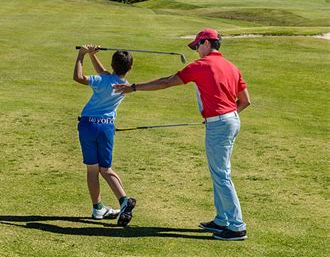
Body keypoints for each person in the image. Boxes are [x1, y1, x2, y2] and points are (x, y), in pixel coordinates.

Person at [113, 29, 251, 240]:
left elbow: (167, 81)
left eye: (197, 46)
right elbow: (244, 101)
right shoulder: (231, 66)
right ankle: (223, 219)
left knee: (222, 174)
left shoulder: (201, 65)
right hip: (231, 120)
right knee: (218, 172)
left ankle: (237, 226)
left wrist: (133, 87)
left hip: (220, 124)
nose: (196, 50)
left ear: (206, 43)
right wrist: (225, 116)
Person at [73, 44, 136, 227]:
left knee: (92, 169)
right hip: (107, 128)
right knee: (106, 169)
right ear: (129, 68)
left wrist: (81, 55)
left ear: (112, 64)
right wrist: (93, 55)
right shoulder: (123, 86)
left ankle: (97, 207)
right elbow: (106, 74)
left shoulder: (102, 80)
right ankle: (123, 200)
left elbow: (78, 77)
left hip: (87, 126)